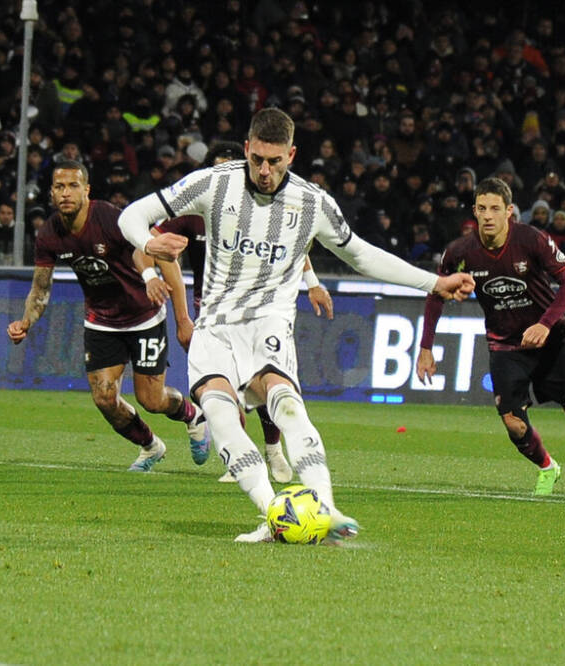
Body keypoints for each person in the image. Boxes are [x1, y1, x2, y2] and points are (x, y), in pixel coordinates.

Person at [118, 108, 475, 543]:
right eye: (257, 160)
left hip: (269, 318)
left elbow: (361, 255)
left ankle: (325, 507)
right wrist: (148, 242)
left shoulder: (313, 203)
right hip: (214, 323)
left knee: (284, 401)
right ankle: (273, 513)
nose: (265, 171)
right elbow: (130, 216)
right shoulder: (213, 183)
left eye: (275, 162)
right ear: (247, 149)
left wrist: (435, 282)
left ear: (292, 154)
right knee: (218, 410)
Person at [416, 177, 565, 499]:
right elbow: (437, 295)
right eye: (481, 208)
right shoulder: (460, 252)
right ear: (474, 212)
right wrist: (425, 347)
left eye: (495, 208)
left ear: (509, 212)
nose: (488, 215)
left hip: (552, 341)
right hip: (506, 346)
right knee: (514, 424)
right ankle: (548, 467)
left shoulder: (532, 240)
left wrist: (545, 324)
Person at [7, 160, 209, 472]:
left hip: (144, 315)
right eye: (59, 187)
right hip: (101, 321)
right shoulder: (49, 234)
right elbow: (40, 288)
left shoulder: (108, 217)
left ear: (86, 190)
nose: (66, 193)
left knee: (152, 400)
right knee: (104, 398)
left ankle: (191, 416)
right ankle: (150, 446)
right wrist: (26, 322)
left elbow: (140, 247)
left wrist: (149, 277)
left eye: (73, 186)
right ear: (51, 193)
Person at [152, 140, 334, 485]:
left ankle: (273, 448)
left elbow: (294, 246)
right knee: (223, 387)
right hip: (211, 311)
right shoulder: (195, 210)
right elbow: (155, 242)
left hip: (261, 306)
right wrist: (172, 303)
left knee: (263, 381)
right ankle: (242, 457)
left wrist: (311, 283)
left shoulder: (263, 207)